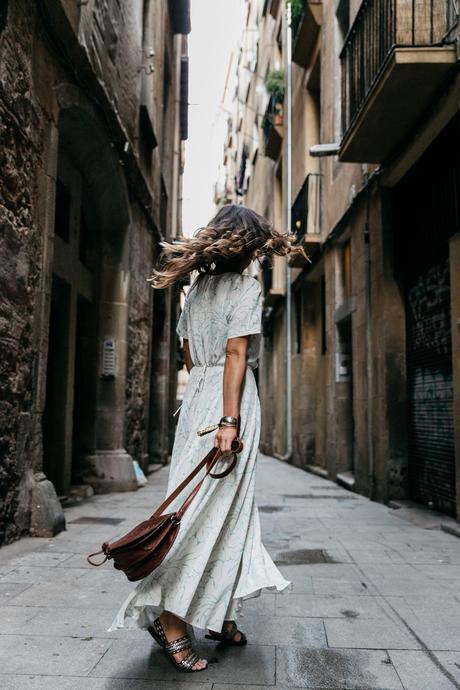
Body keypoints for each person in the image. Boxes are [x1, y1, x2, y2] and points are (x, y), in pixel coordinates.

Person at [107, 204, 303, 673]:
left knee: (221, 510)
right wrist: (229, 420)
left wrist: (205, 403)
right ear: (251, 247)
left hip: (197, 400)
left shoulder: (195, 293)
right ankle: (172, 623)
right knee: (205, 516)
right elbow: (237, 354)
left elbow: (190, 356)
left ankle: (221, 617)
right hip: (228, 407)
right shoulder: (246, 289)